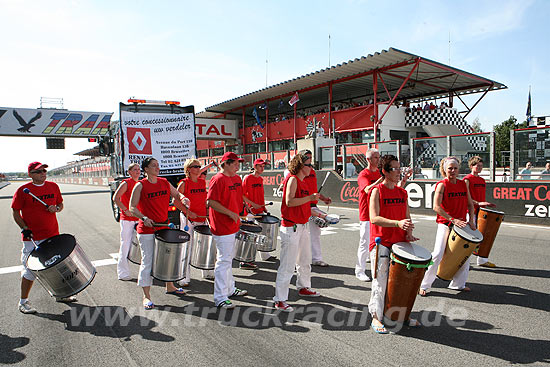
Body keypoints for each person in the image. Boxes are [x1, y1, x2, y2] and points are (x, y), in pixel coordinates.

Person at [11, 162, 73, 314]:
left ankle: (61, 294)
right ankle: (23, 302)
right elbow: (15, 212)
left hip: (52, 234)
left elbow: (60, 204)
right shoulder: (22, 190)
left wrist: (56, 208)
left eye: (44, 170)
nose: (43, 173)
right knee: (29, 271)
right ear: (30, 174)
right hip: (32, 238)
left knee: (57, 265)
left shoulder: (53, 187)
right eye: (38, 171)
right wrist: (24, 228)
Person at [129, 157, 190, 310]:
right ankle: (146, 296)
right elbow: (132, 207)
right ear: (146, 169)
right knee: (148, 261)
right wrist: (144, 218)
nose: (157, 168)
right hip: (147, 230)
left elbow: (177, 195)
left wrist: (183, 198)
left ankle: (169, 286)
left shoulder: (164, 182)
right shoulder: (140, 185)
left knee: (166, 258)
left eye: (158, 165)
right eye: (153, 166)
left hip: (163, 227)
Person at [368, 155, 420, 333]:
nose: (399, 172)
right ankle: (376, 317)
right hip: (381, 243)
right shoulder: (377, 191)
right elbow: (374, 218)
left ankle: (401, 315)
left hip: (400, 243)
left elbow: (407, 216)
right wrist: (397, 223)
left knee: (403, 283)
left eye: (400, 168)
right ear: (385, 171)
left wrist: (409, 232)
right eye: (395, 169)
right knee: (380, 282)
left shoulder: (402, 192)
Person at [419, 157, 476, 296]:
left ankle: (458, 284)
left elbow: (470, 204)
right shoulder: (442, 185)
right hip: (445, 224)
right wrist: (452, 219)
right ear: (444, 169)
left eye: (455, 168)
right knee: (438, 254)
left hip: (462, 224)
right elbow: (436, 207)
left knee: (465, 255)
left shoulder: (463, 184)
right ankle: (424, 285)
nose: (453, 170)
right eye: (450, 168)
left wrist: (472, 220)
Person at [273, 152, 320, 312]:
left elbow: (304, 205)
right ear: (300, 166)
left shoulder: (303, 181)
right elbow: (289, 201)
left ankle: (304, 286)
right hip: (291, 227)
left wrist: (320, 214)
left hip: (302, 226)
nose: (311, 168)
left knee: (305, 260)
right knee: (287, 264)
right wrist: (310, 198)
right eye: (308, 165)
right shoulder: (293, 179)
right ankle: (279, 299)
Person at [207, 152, 250, 309]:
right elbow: (211, 202)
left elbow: (238, 200)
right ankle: (219, 297)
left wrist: (243, 211)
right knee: (224, 260)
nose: (238, 166)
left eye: (238, 163)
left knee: (229, 258)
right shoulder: (217, 179)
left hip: (233, 225)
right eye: (234, 163)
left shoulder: (237, 179)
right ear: (225, 163)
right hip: (221, 226)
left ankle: (230, 289)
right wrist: (230, 213)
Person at [176, 158, 211, 287]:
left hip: (202, 218)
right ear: (189, 170)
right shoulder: (184, 183)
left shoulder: (202, 182)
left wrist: (207, 211)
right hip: (188, 219)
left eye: (198, 166)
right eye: (195, 167)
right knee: (187, 248)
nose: (198, 168)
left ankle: (207, 271)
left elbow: (204, 200)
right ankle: (183, 276)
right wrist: (188, 213)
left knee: (205, 245)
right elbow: (175, 201)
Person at [463, 156, 497, 268]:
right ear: (471, 166)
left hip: (481, 211)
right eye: (477, 165)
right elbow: (465, 197)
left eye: (481, 166)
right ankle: (462, 260)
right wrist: (477, 203)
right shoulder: (467, 179)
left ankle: (482, 259)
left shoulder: (482, 180)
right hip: (469, 211)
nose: (480, 168)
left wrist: (484, 204)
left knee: (484, 235)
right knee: (469, 236)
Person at [303, 150, 334, 267]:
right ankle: (299, 259)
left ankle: (316, 258)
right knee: (300, 235)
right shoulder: (298, 173)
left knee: (316, 232)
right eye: (307, 157)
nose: (309, 159)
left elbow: (314, 192)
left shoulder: (312, 172)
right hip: (302, 206)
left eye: (311, 157)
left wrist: (324, 199)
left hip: (312, 206)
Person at [355, 149, 383, 281]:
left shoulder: (379, 172)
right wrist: (381, 180)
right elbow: (367, 189)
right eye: (375, 157)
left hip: (377, 213)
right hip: (366, 214)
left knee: (378, 243)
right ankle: (359, 270)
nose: (378, 160)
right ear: (368, 160)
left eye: (378, 157)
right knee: (364, 242)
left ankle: (376, 268)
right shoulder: (363, 174)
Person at [242, 158, 273, 267]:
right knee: (250, 236)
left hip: (260, 210)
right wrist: (252, 204)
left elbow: (260, 194)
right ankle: (245, 260)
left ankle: (265, 255)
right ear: (254, 167)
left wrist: (263, 207)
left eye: (263, 166)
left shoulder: (260, 179)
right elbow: (242, 195)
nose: (262, 168)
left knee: (262, 234)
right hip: (250, 212)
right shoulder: (247, 178)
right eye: (260, 166)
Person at [112, 163, 141, 281]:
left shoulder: (140, 183)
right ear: (129, 172)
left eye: (139, 170)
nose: (137, 171)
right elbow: (115, 198)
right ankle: (123, 273)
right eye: (135, 170)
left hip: (139, 219)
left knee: (143, 246)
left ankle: (146, 272)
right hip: (127, 220)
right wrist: (125, 209)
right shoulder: (126, 183)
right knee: (125, 245)